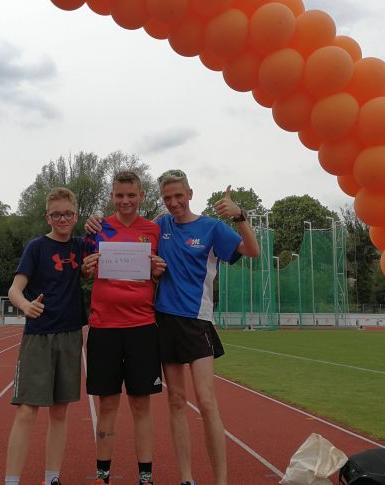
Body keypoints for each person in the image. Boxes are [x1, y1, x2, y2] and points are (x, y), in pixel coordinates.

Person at [154, 170, 260, 485]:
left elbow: (252, 251)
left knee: (206, 401)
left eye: (178, 196)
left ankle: (221, 480)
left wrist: (239, 215)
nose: (173, 203)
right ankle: (186, 478)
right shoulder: (160, 226)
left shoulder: (212, 228)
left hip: (197, 320)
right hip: (164, 318)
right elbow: (128, 236)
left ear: (189, 193)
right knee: (175, 400)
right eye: (167, 197)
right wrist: (94, 224)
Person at [81, 171, 166, 485]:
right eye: (119, 195)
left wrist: (158, 271)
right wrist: (86, 269)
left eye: (131, 195)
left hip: (142, 326)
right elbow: (85, 271)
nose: (126, 201)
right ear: (112, 196)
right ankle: (102, 474)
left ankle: (145, 476)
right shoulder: (96, 227)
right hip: (104, 326)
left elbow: (158, 274)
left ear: (141, 196)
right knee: (107, 403)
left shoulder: (153, 230)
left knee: (142, 404)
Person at [5, 187, 87, 485]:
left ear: (76, 216)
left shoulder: (81, 246)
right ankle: (11, 480)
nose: (62, 219)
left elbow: (116, 238)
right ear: (47, 217)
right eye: (56, 214)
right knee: (27, 410)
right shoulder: (36, 247)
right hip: (39, 335)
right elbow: (15, 289)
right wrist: (25, 305)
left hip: (70, 335)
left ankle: (52, 477)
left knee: (60, 411)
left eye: (67, 213)